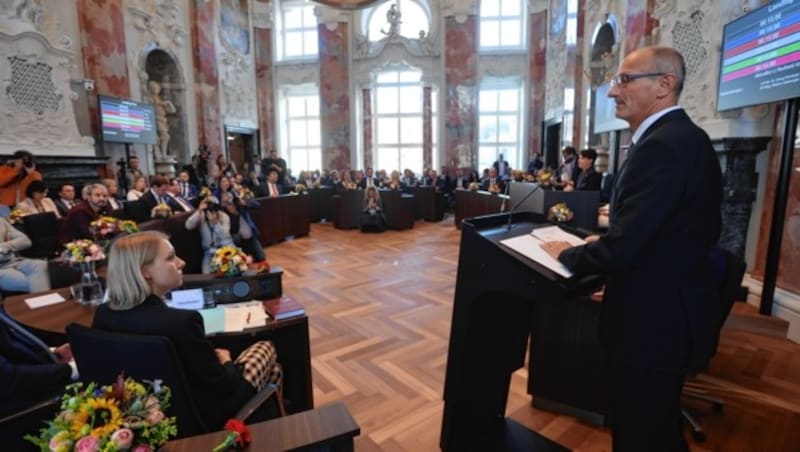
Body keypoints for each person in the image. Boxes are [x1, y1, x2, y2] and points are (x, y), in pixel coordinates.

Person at [540, 46, 722, 451]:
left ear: (664, 85)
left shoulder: (663, 145)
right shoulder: (681, 138)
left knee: (642, 434)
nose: (611, 91)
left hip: (652, 322)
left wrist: (565, 253)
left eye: (624, 79)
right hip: (667, 311)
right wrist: (606, 244)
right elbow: (668, 232)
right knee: (654, 427)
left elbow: (628, 245)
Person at [92, 231, 284, 429]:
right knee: (266, 348)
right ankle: (274, 432)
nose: (181, 262)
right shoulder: (182, 322)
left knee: (273, 374)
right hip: (204, 416)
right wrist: (226, 362)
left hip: (147, 416)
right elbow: (223, 386)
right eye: (170, 257)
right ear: (144, 272)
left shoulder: (103, 314)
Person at [0, 216, 51, 293]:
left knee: (40, 264)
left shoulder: (1, 221)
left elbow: (25, 241)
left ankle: (42, 302)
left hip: (12, 261)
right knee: (37, 282)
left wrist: (3, 246)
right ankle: (44, 303)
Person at [185, 197, 235, 274]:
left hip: (225, 249)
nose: (211, 210)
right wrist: (199, 210)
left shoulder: (224, 216)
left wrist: (216, 223)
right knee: (206, 275)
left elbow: (225, 236)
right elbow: (188, 226)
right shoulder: (201, 216)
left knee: (231, 271)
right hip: (209, 252)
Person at [147, 81, 177, 159]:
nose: (156, 89)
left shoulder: (159, 100)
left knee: (164, 137)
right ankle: (162, 154)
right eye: (154, 87)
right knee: (165, 136)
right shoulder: (150, 99)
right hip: (156, 119)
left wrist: (169, 103)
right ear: (150, 89)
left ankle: (162, 154)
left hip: (162, 120)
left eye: (157, 87)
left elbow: (172, 111)